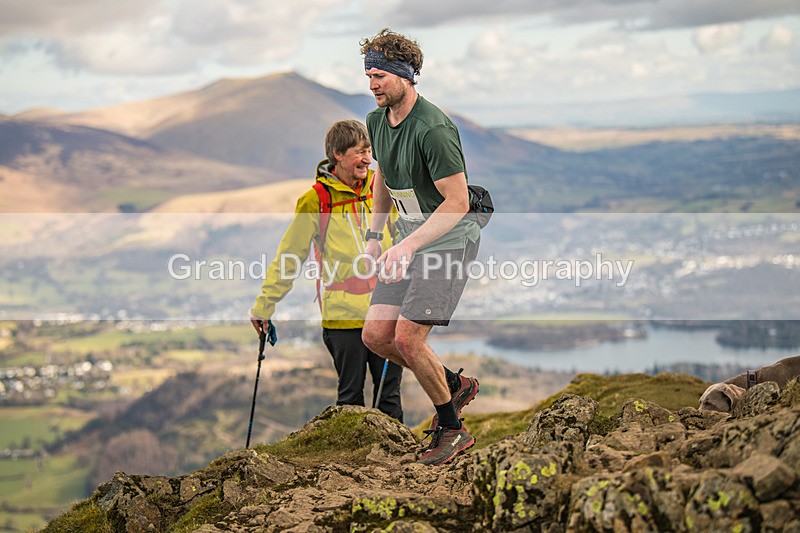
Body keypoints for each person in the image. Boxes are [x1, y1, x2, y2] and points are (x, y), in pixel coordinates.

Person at [359, 29, 481, 465]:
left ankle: (453, 429)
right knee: (376, 335)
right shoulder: (375, 122)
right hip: (404, 244)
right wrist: (376, 237)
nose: (372, 84)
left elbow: (459, 202)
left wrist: (407, 245)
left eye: (379, 75)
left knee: (409, 340)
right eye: (368, 74)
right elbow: (384, 183)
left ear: (405, 76)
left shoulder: (433, 129)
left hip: (447, 244)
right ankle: (454, 383)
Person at [250, 119, 403, 421]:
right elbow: (289, 257)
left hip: (385, 309)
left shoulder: (381, 188)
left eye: (369, 151)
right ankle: (349, 462)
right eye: (359, 152)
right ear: (337, 154)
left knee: (390, 397)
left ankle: (394, 464)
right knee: (350, 401)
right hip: (343, 316)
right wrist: (264, 306)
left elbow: (402, 237)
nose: (367, 159)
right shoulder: (316, 200)